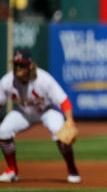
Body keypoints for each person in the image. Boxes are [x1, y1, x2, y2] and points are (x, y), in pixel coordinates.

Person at [0, 49, 81, 183]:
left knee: (61, 134)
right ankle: (12, 171)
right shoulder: (7, 81)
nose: (18, 68)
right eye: (16, 64)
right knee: (2, 131)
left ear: (30, 65)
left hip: (47, 111)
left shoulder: (44, 79)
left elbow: (63, 101)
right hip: (24, 112)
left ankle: (72, 169)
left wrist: (70, 120)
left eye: (22, 64)